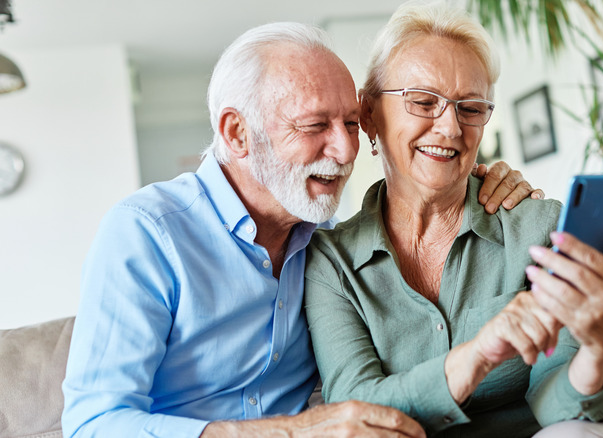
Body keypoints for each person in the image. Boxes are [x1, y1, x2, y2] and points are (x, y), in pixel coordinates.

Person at [61, 20, 541, 438]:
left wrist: (478, 176)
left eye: (351, 124)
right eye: (314, 126)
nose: (345, 150)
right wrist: (293, 431)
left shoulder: (324, 240)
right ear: (236, 133)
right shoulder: (147, 234)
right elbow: (93, 424)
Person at [304, 3, 603, 437]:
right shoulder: (332, 262)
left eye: (470, 108)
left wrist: (600, 354)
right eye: (423, 102)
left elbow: (563, 408)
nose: (450, 127)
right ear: (370, 114)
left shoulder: (540, 228)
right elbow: (355, 410)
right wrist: (477, 356)